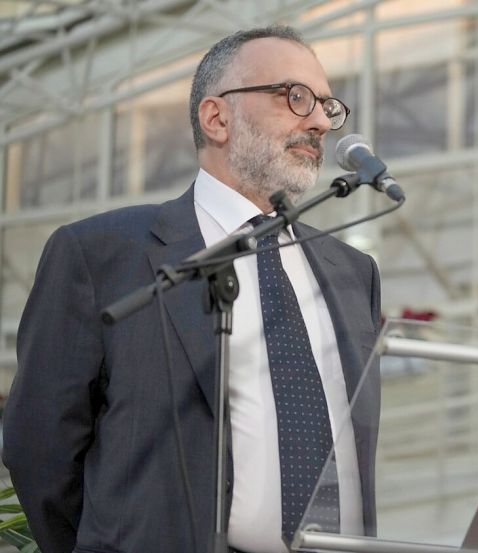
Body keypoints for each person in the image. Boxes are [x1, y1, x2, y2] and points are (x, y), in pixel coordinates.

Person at [3, 26, 381, 553]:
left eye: (326, 105)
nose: (319, 120)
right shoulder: (102, 254)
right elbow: (40, 447)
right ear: (217, 117)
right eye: (295, 97)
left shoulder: (352, 270)